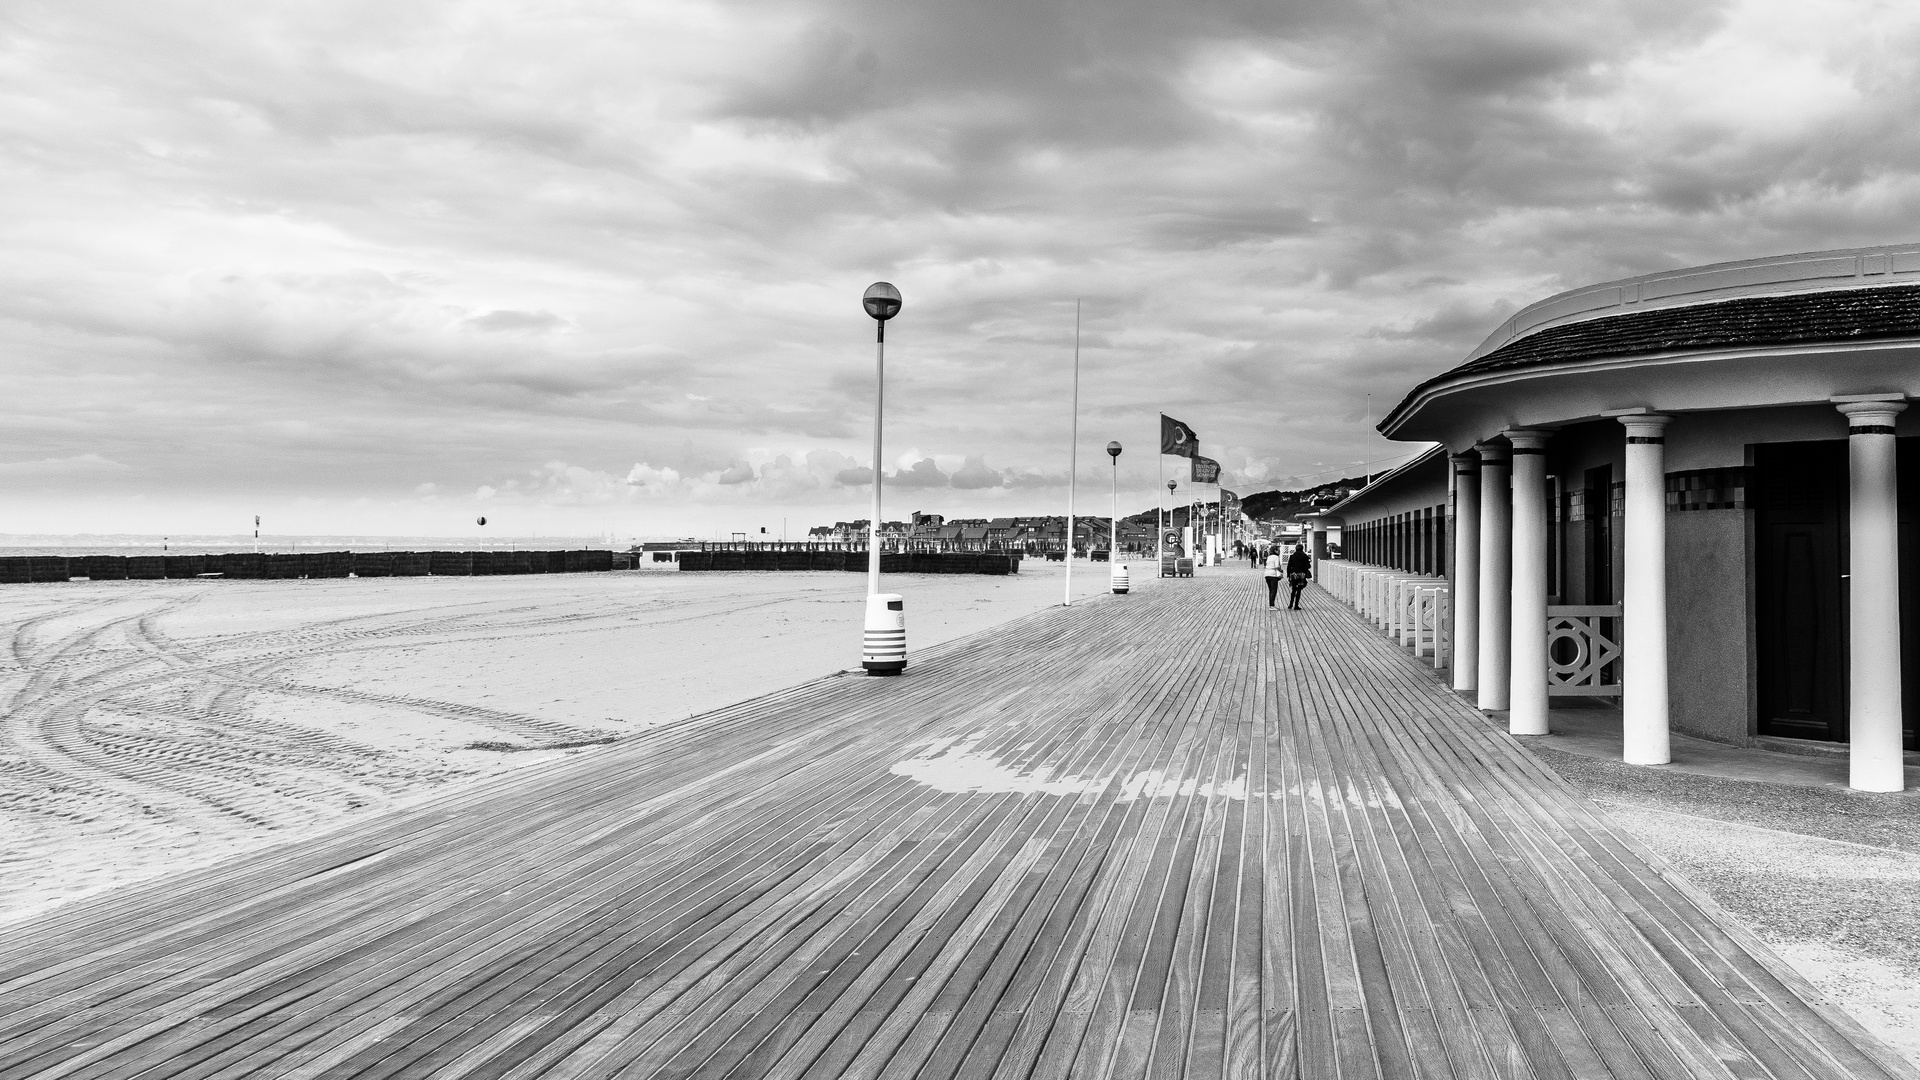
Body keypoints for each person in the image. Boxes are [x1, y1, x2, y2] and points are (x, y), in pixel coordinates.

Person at [1286, 542, 1312, 610]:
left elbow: (1289, 566)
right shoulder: (1305, 556)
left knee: (1293, 589)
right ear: (1302, 549)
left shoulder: (1292, 556)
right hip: (1301, 574)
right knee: (1299, 590)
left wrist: (1288, 575)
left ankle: (1290, 604)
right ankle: (1296, 605)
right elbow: (1308, 566)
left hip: (1294, 574)